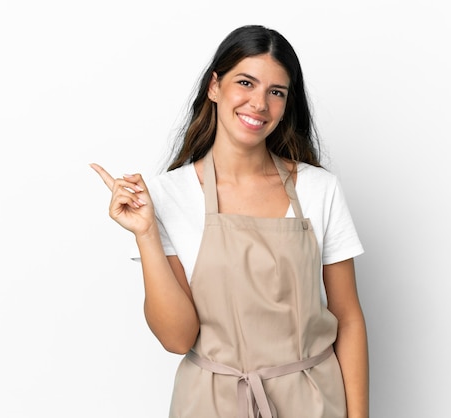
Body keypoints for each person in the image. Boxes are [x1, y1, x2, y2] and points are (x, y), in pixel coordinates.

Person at [91, 24, 369, 418]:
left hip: (313, 402)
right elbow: (177, 338)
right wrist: (147, 234)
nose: (259, 103)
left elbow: (349, 316)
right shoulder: (168, 196)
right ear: (214, 87)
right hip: (210, 404)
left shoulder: (318, 189)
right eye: (246, 83)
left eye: (276, 92)